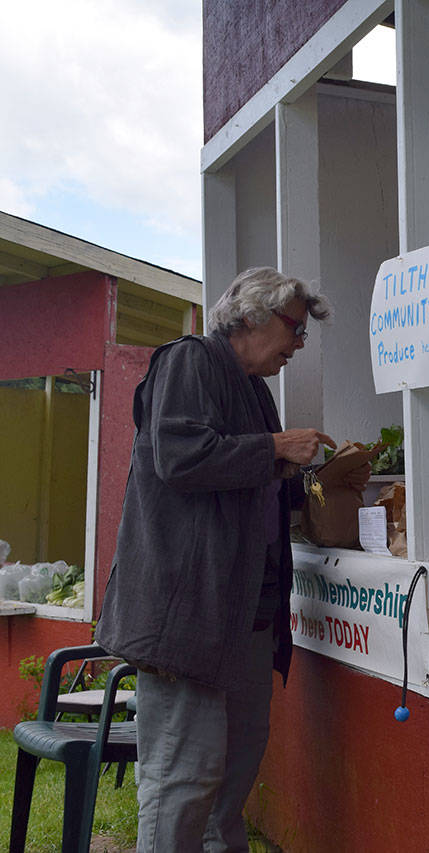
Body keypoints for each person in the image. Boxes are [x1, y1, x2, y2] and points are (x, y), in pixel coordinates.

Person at [96, 267, 366, 851]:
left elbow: (253, 484)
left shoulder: (253, 389)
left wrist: (320, 481)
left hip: (246, 618)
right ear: (254, 315)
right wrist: (274, 447)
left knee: (230, 782)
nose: (298, 345)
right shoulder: (189, 361)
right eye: (296, 329)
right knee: (181, 780)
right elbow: (180, 457)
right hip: (188, 618)